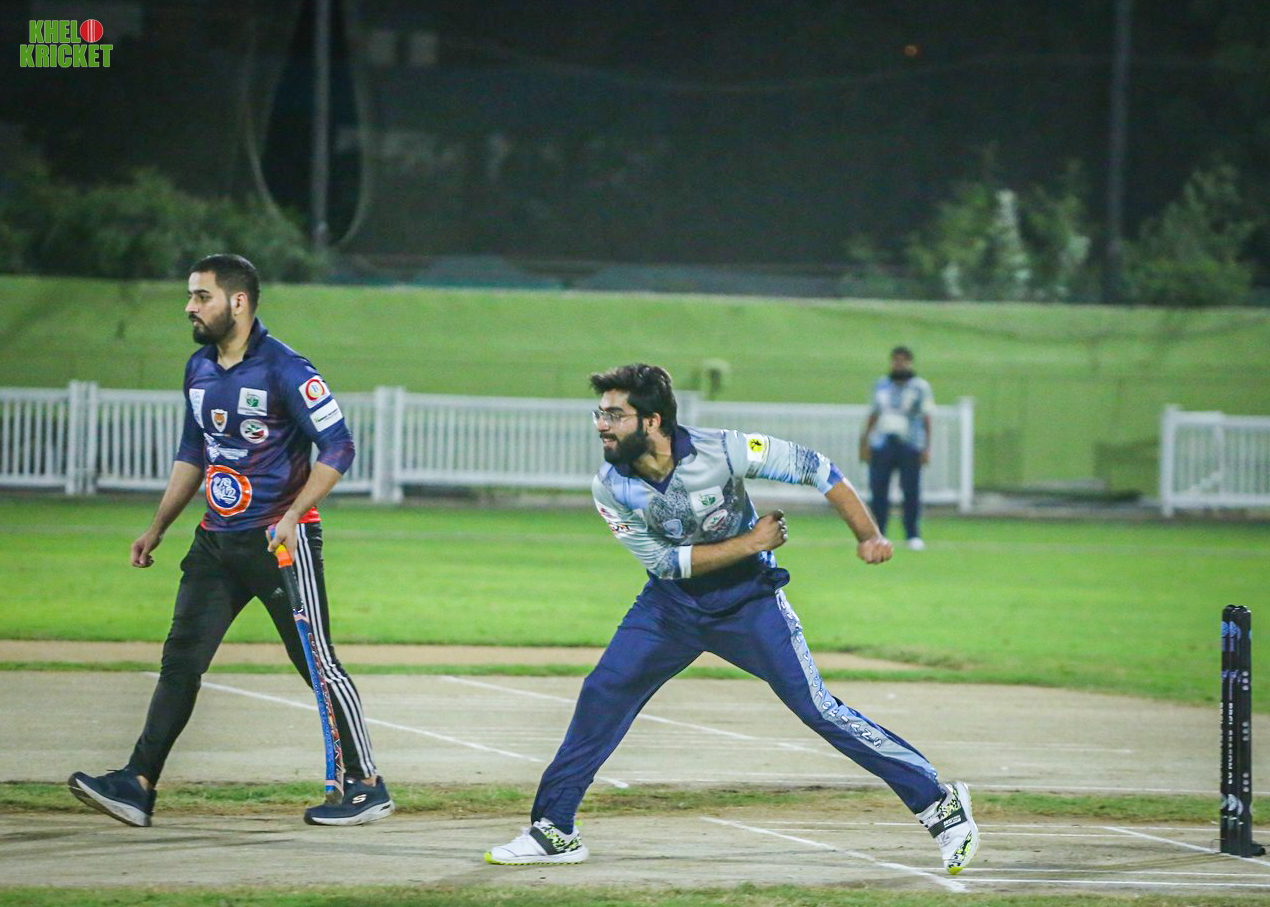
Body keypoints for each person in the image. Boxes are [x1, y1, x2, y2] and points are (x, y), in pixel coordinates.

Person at [485, 363, 977, 874]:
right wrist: (751, 542)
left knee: (817, 709)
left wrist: (868, 535)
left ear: (652, 421)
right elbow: (665, 564)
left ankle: (938, 803)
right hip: (671, 607)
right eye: (600, 413)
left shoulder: (724, 449)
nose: (602, 425)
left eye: (614, 415)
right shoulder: (610, 486)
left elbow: (818, 469)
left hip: (749, 603)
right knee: (603, 694)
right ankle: (554, 828)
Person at [67, 254, 392, 827]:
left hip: (279, 544)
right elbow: (193, 452)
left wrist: (294, 514)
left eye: (202, 296)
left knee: (317, 663)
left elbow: (339, 446)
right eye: (190, 296)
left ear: (237, 302)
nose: (189, 307)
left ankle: (367, 786)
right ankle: (137, 784)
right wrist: (157, 526)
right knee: (180, 661)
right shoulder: (198, 368)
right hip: (216, 543)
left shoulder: (287, 368)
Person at [859, 346, 935, 550]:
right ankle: (877, 533)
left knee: (910, 490)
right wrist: (865, 441)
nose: (899, 364)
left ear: (910, 363)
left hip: (910, 444)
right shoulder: (881, 385)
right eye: (896, 360)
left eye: (903, 361)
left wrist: (926, 447)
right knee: (878, 490)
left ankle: (912, 534)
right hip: (882, 443)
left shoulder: (919, 387)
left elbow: (926, 418)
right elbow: (874, 413)